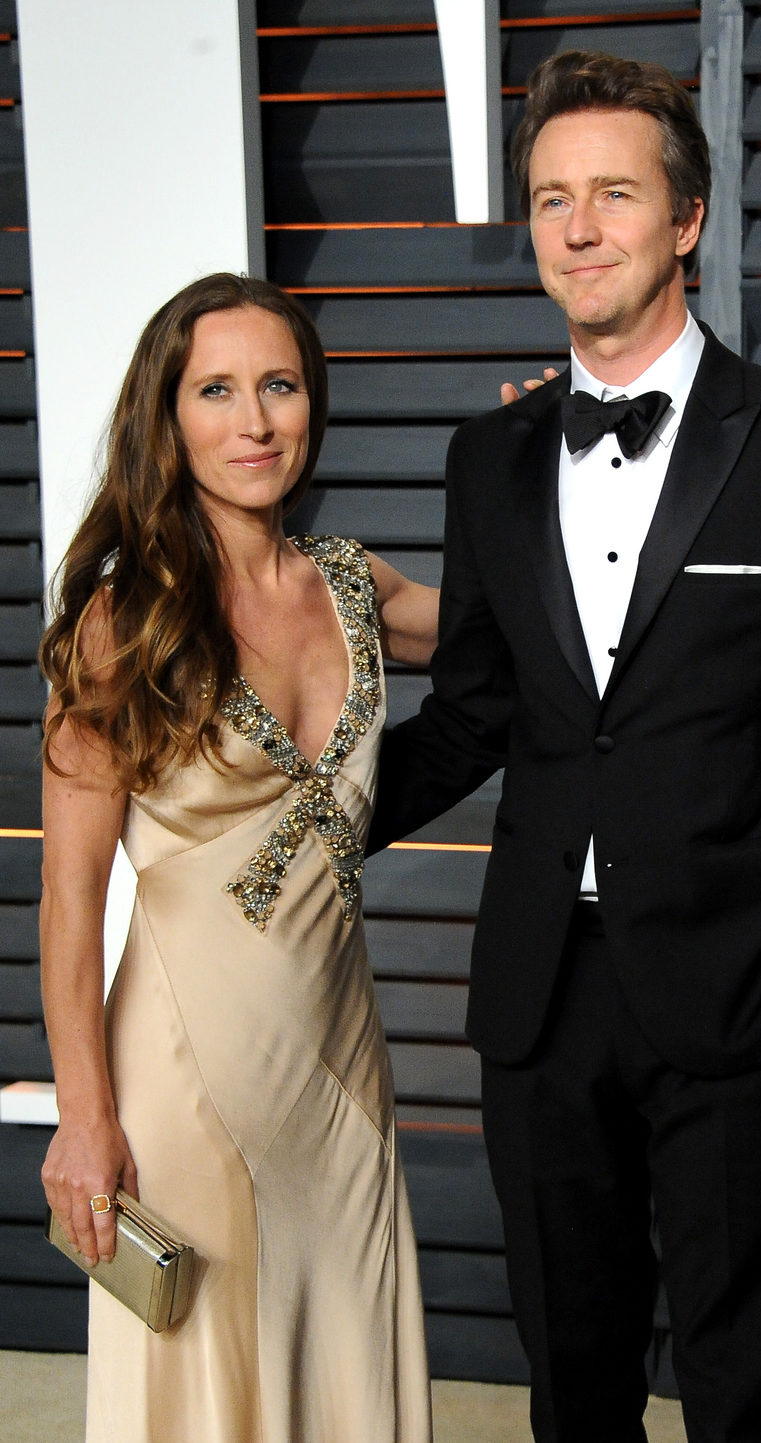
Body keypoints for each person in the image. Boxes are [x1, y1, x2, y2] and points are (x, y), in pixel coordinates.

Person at [368, 51, 761, 1443]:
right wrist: (313, 816)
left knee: (745, 1395)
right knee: (573, 1382)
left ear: (684, 219)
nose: (577, 226)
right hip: (542, 1001)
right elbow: (484, 709)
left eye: (612, 193)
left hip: (752, 992)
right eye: (553, 198)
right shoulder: (485, 461)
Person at [38, 272, 437, 1443]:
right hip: (182, 1076)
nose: (253, 422)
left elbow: (532, 638)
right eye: (215, 390)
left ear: (313, 404)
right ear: (168, 417)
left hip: (339, 1063)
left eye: (279, 386)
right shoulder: (126, 623)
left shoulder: (356, 586)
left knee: (350, 1357)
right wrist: (83, 1115)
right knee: (209, 1393)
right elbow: (68, 902)